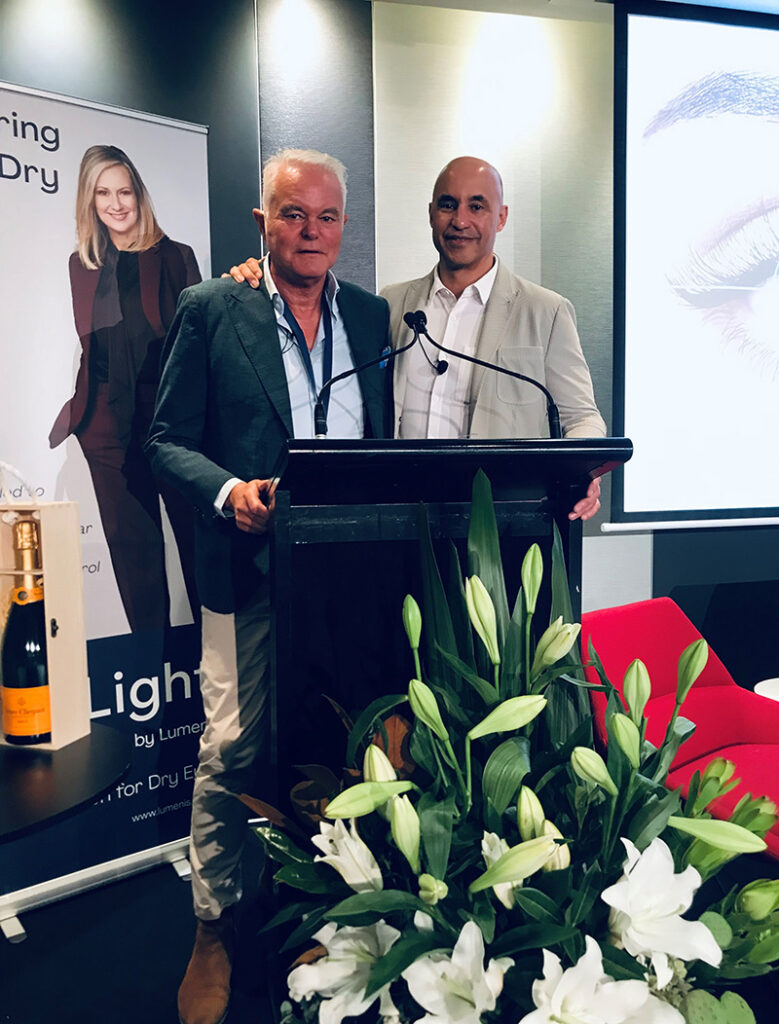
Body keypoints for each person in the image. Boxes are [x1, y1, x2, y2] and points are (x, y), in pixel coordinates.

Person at [145, 148, 391, 1024]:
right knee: (232, 751)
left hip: (347, 577)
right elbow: (163, 441)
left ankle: (326, 911)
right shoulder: (213, 307)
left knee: (341, 745)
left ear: (343, 227)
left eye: (326, 217)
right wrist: (228, 492)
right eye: (292, 214)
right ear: (262, 222)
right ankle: (213, 927)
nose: (310, 232)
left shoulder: (371, 316)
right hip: (245, 569)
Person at [229, 155, 606, 520]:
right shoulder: (389, 305)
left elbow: (582, 418)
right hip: (404, 522)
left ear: (501, 217)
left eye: (477, 206)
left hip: (503, 522)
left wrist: (583, 472)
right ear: (431, 213)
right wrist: (254, 275)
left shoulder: (546, 311)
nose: (460, 220)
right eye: (448, 205)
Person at [49, 144, 200, 632]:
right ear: (89, 201)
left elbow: (196, 348)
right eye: (103, 193)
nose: (115, 204)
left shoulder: (176, 257)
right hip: (107, 430)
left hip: (170, 426)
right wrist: (85, 422)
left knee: (199, 552)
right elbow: (93, 347)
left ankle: (215, 665)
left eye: (124, 192)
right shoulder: (81, 264)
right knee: (135, 566)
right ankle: (150, 669)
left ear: (139, 195)